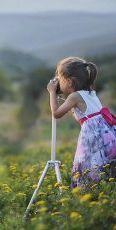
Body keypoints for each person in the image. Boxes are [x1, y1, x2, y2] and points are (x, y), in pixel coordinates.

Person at [47, 56, 116, 188]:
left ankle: (89, 194)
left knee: (87, 167)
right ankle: (105, 193)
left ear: (68, 81)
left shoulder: (74, 96)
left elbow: (56, 113)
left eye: (60, 78)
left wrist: (52, 93)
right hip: (107, 137)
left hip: (93, 140)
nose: (58, 82)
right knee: (104, 168)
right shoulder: (90, 93)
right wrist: (59, 92)